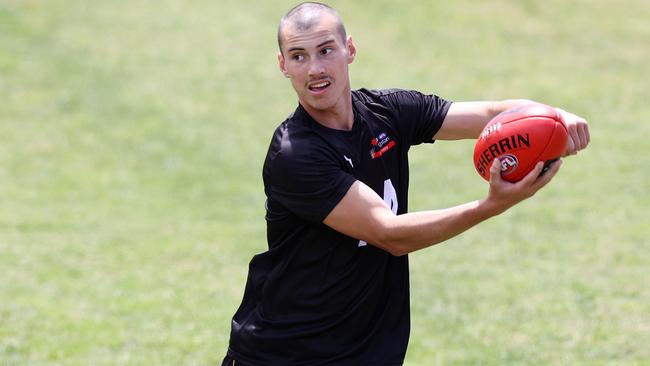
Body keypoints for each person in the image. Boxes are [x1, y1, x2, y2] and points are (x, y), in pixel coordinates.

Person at [222, 2, 590, 365]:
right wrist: (490, 206)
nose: (315, 68)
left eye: (326, 50)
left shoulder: (388, 112)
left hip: (365, 351)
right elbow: (389, 234)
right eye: (299, 56)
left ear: (349, 49)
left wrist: (553, 117)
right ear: (283, 65)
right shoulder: (295, 154)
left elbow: (494, 115)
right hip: (286, 354)